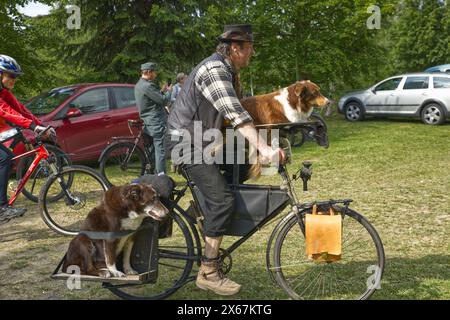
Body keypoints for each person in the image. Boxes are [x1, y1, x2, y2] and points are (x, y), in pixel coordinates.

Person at [165, 25, 285, 296]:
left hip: (204, 140)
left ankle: (205, 212)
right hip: (186, 142)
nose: (252, 53)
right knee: (222, 199)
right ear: (235, 48)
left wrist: (270, 138)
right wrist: (264, 148)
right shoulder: (215, 71)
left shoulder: (229, 71)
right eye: (249, 48)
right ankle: (208, 270)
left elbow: (239, 113)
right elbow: (237, 115)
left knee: (239, 168)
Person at [0, 54, 54, 224]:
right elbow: (5, 112)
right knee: (4, 158)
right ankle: (2, 207)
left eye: (15, 77)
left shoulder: (4, 92)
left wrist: (40, 125)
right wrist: (32, 127)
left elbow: (21, 110)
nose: (14, 80)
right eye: (11, 76)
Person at [135, 62, 171, 175]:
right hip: (155, 122)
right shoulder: (148, 85)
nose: (155, 75)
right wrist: (169, 92)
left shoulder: (139, 85)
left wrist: (161, 91)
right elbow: (163, 101)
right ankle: (161, 176)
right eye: (154, 72)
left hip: (148, 122)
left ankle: (149, 174)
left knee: (152, 151)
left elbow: (152, 99)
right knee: (160, 150)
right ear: (149, 72)